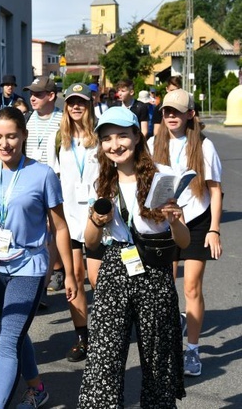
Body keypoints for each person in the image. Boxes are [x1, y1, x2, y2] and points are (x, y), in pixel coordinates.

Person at [0, 107, 77, 409]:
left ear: (24, 136)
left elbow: (59, 227)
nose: (4, 144)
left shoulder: (42, 174)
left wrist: (69, 273)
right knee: (14, 332)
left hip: (28, 267)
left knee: (6, 341)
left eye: (11, 137)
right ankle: (37, 388)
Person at [78, 106, 189, 408]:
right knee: (104, 357)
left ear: (137, 137)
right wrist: (95, 222)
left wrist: (176, 219)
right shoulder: (100, 179)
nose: (115, 145)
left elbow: (184, 240)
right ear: (100, 144)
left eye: (123, 136)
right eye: (107, 138)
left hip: (154, 270)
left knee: (158, 361)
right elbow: (90, 243)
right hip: (115, 267)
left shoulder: (162, 176)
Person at [147, 89, 223, 377]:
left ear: (190, 114)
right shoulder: (154, 143)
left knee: (191, 287)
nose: (170, 116)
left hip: (197, 222)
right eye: (166, 111)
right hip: (165, 223)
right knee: (165, 288)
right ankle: (168, 344)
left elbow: (215, 192)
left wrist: (214, 229)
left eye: (176, 111)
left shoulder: (204, 146)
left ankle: (192, 349)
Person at [46, 83, 102, 363]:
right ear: (66, 107)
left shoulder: (101, 136)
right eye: (71, 102)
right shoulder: (60, 139)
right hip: (69, 220)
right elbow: (53, 180)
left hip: (98, 221)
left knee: (97, 279)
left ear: (89, 105)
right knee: (75, 277)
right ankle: (82, 337)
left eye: (81, 102)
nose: (76, 106)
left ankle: (106, 331)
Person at [22, 75, 66, 293]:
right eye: (31, 94)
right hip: (28, 182)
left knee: (51, 229)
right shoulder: (26, 119)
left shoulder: (64, 120)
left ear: (51, 96)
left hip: (54, 182)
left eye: (38, 94)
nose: (33, 98)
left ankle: (53, 272)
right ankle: (37, 275)